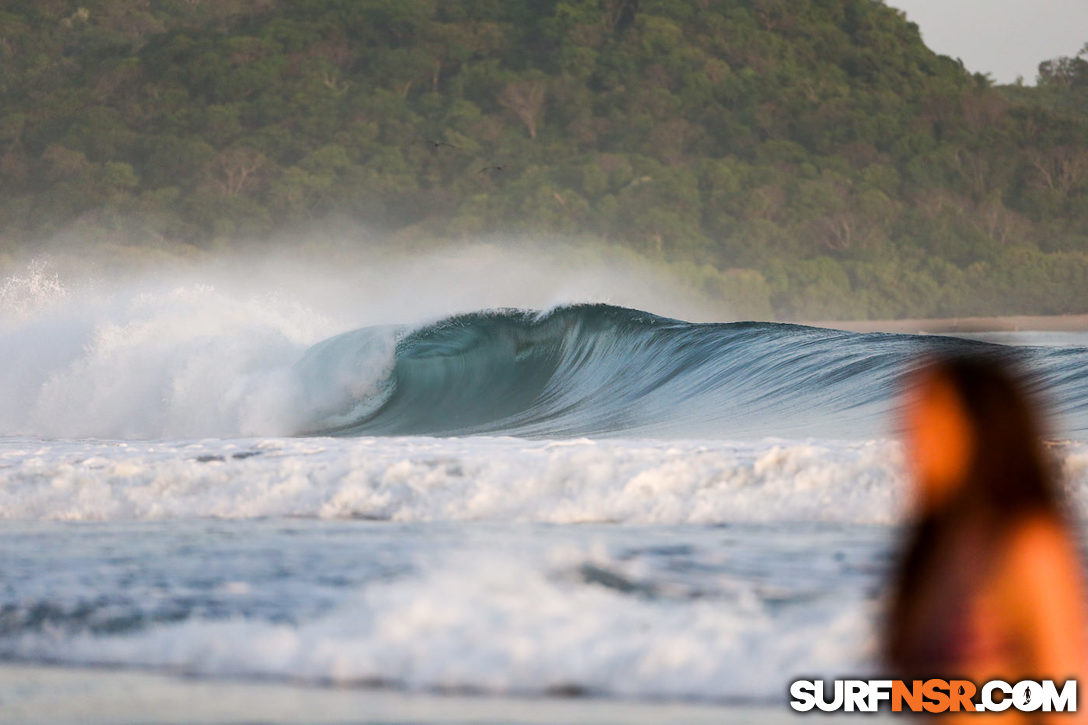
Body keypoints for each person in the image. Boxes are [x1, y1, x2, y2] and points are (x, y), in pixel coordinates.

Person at [886, 353, 1087, 717]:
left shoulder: (1026, 544)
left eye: (932, 424)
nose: (914, 440)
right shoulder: (933, 547)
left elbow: (1067, 697)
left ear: (979, 428)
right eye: (910, 425)